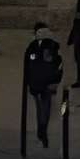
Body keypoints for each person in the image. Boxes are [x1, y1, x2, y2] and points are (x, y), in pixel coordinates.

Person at [24, 19, 63, 147]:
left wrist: (28, 82)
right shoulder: (53, 46)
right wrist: (56, 80)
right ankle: (43, 130)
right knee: (46, 106)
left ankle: (41, 130)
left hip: (36, 83)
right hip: (49, 82)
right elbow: (59, 65)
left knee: (39, 107)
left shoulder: (32, 46)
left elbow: (28, 66)